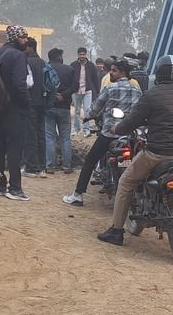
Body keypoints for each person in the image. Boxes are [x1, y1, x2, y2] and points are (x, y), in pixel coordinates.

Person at [96, 55, 173, 247]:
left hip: (157, 154)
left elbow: (131, 122)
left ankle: (116, 230)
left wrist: (116, 129)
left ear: (160, 72)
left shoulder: (152, 95)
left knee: (126, 181)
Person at [62, 59, 141, 207]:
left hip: (110, 133)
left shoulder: (110, 88)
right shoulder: (137, 90)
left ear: (122, 72)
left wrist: (88, 116)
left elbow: (95, 108)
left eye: (113, 70)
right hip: (130, 134)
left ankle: (78, 195)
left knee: (90, 161)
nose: (110, 72)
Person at [0, 25, 32, 201]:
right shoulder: (18, 55)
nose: (26, 40)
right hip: (14, 108)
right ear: (14, 38)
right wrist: (27, 103)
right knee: (15, 148)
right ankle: (15, 188)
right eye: (23, 37)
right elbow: (19, 84)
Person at [23, 37, 49, 178]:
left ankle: (31, 167)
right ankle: (42, 167)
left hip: (30, 103)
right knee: (41, 134)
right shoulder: (42, 62)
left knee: (30, 135)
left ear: (29, 47)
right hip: (42, 102)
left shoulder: (26, 62)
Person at [46, 48, 75, 174]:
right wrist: (63, 95)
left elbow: (43, 86)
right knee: (65, 138)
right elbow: (76, 86)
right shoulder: (69, 69)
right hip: (64, 108)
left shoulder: (45, 69)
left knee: (49, 138)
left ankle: (50, 166)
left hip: (49, 107)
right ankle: (67, 166)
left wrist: (53, 95)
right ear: (60, 57)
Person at [70, 47, 101, 137]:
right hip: (76, 91)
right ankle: (76, 129)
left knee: (87, 110)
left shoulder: (91, 65)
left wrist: (97, 91)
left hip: (88, 90)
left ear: (86, 55)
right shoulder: (73, 65)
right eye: (80, 54)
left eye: (83, 54)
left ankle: (86, 129)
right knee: (77, 110)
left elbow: (95, 79)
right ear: (78, 55)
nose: (82, 56)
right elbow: (70, 78)